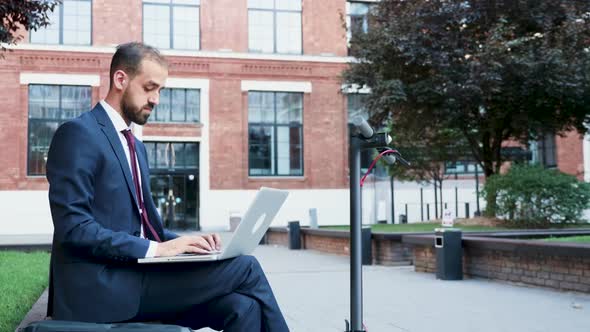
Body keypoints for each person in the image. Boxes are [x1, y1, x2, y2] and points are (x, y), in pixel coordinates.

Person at [46, 42, 289, 332]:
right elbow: (73, 228)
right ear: (120, 79)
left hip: (138, 276)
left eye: (160, 90)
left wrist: (191, 244)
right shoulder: (78, 134)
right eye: (150, 87)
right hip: (100, 287)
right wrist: (157, 249)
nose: (156, 99)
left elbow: (151, 230)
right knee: (246, 267)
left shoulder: (135, 145)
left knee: (243, 306)